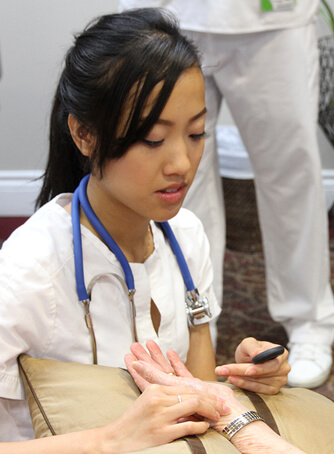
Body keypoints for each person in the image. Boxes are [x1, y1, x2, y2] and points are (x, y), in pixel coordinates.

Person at [0, 8, 289, 448]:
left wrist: (238, 385)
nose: (182, 164)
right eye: (153, 140)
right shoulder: (27, 273)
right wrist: (111, 440)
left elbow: (198, 397)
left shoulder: (186, 236)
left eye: (196, 134)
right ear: (84, 135)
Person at [116, 0, 334, 389]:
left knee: (290, 172)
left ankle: (309, 319)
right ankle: (188, 320)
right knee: (175, 178)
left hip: (271, 21)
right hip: (169, 13)